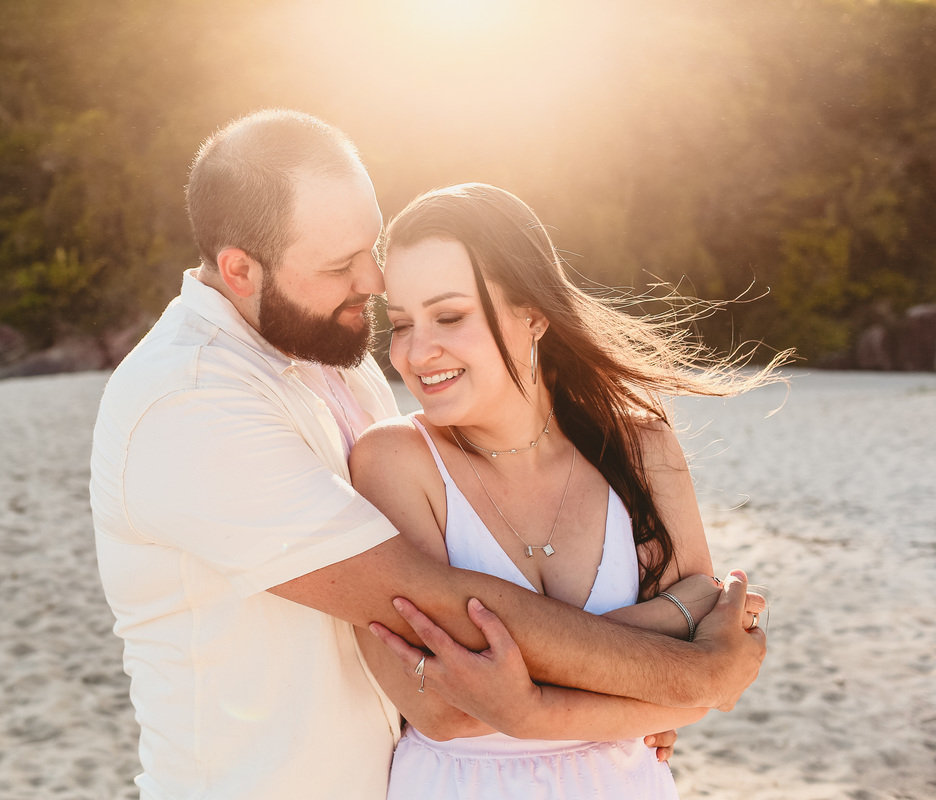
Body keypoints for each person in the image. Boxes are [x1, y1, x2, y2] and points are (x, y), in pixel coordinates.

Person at [90, 110, 766, 800]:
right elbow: (438, 612)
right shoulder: (189, 401)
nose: (374, 282)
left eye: (370, 247)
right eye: (339, 264)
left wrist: (628, 700)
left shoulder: (333, 358)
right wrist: (693, 670)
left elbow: (473, 661)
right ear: (239, 270)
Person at [354, 182, 779, 798]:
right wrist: (670, 633)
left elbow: (697, 693)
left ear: (533, 314)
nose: (417, 352)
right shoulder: (393, 461)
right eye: (399, 324)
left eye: (449, 316)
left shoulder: (642, 448)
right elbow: (437, 709)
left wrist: (524, 703)